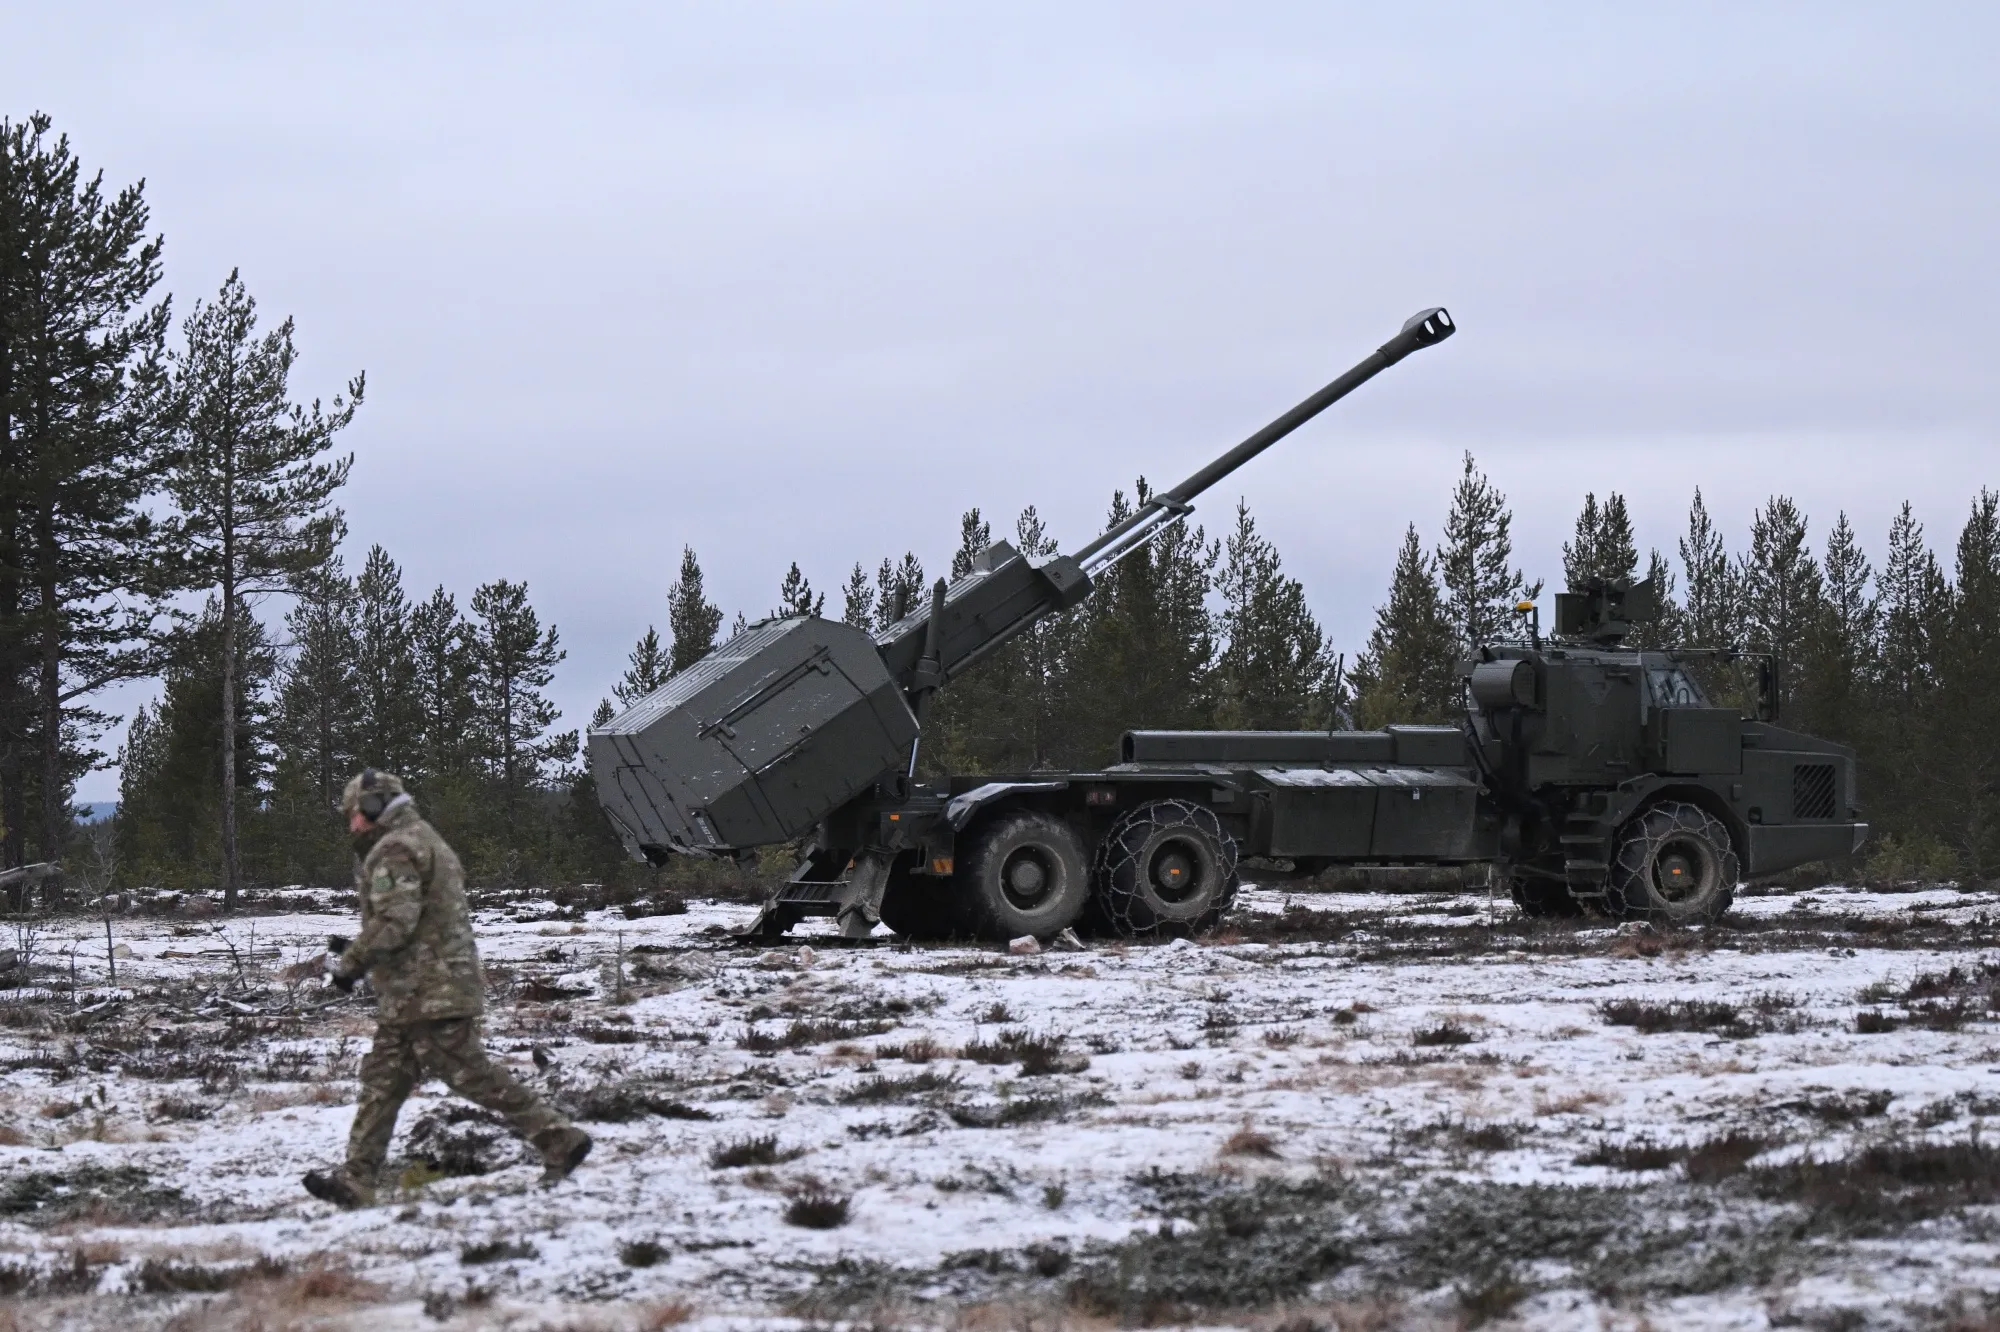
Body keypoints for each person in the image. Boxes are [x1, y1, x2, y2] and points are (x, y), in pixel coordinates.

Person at [302, 769, 590, 1208]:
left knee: (469, 1073)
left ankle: (560, 1138)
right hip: (418, 991)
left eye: (355, 814)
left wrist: (352, 964)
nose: (352, 825)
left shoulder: (395, 849)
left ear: (375, 809)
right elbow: (419, 919)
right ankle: (356, 1179)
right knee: (382, 1080)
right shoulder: (424, 837)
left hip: (429, 992)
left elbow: (396, 921)